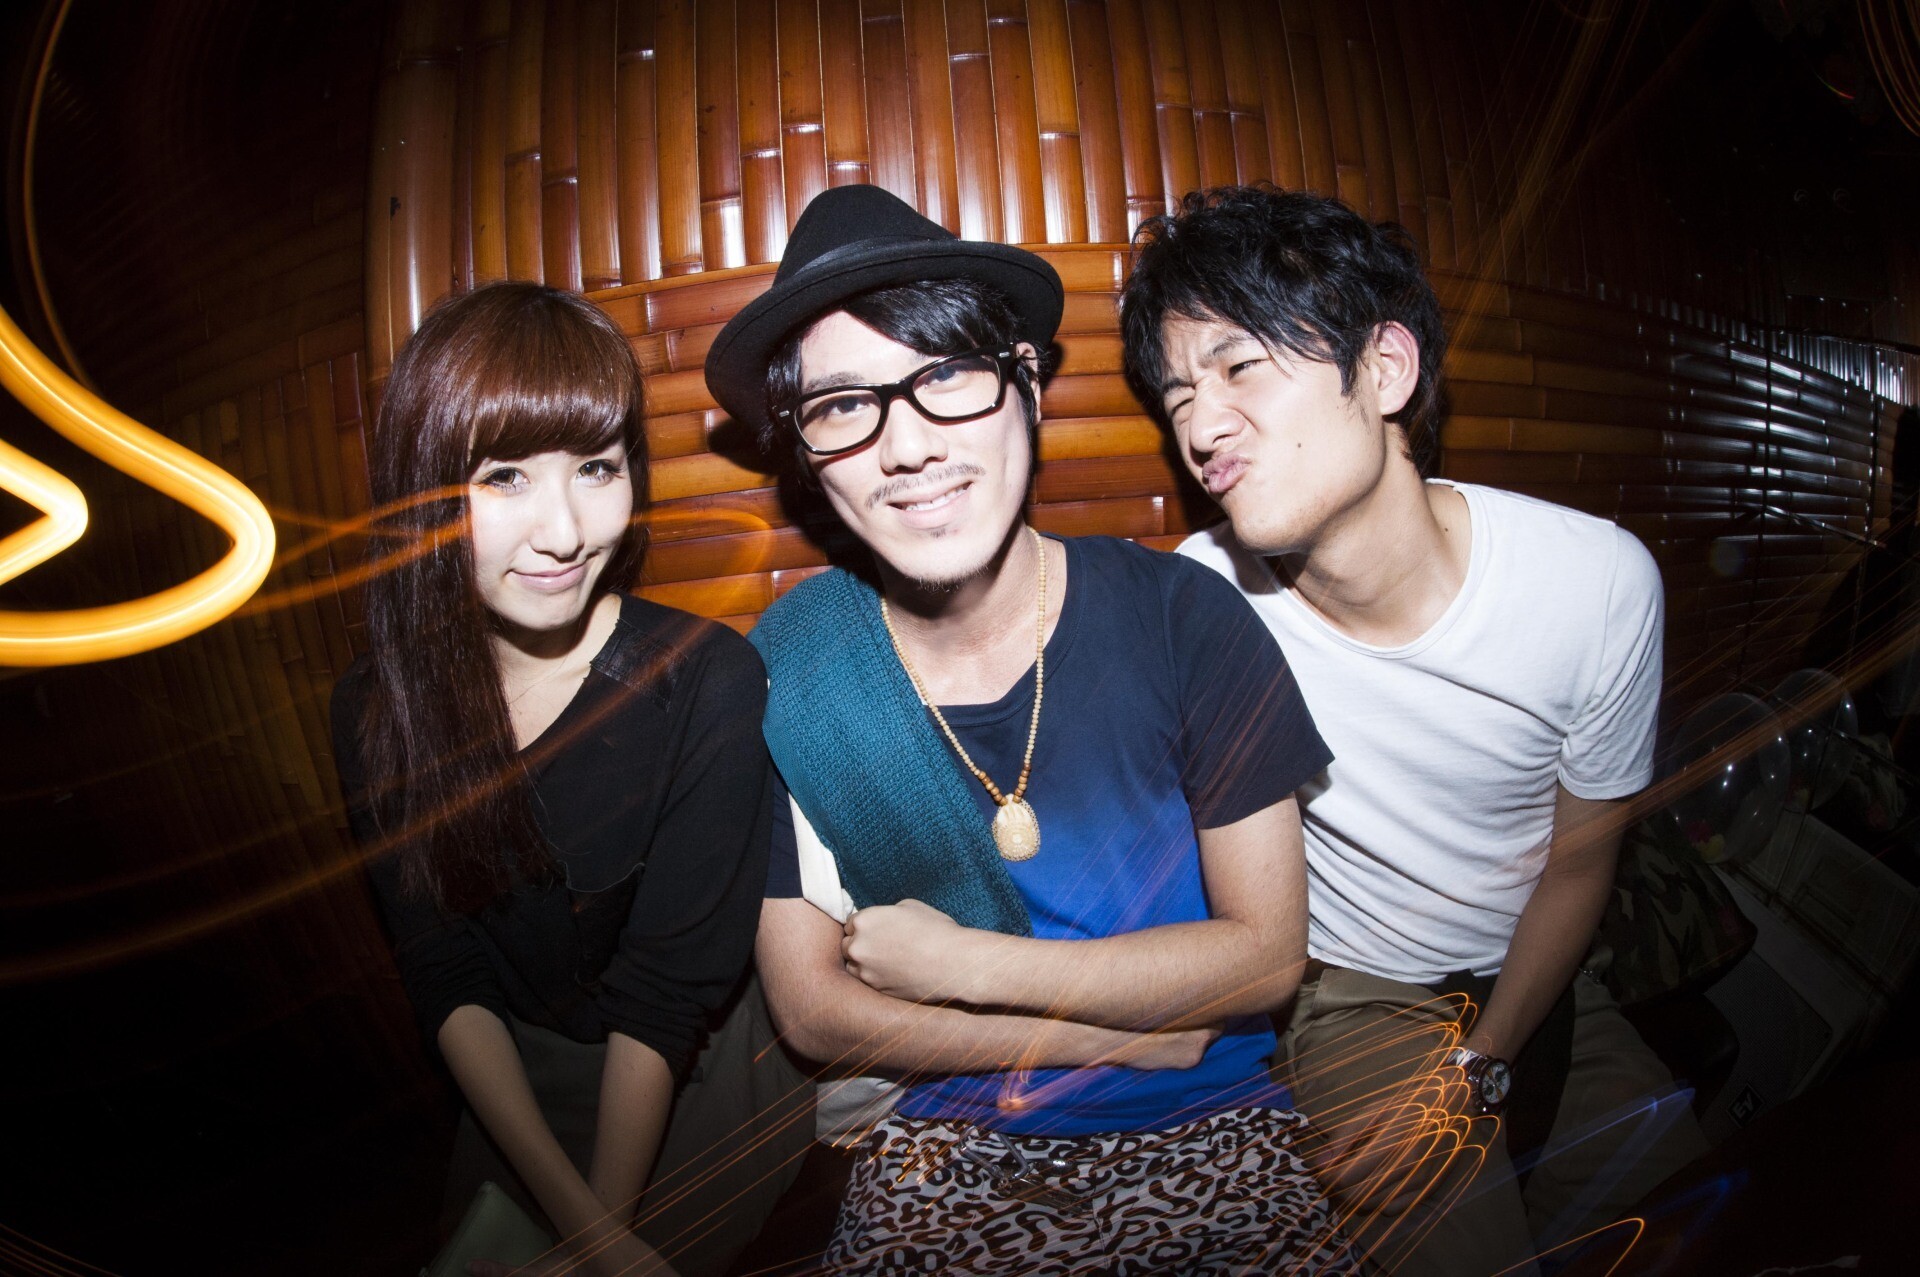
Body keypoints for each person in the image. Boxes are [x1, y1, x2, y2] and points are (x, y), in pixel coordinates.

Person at [703, 184, 1355, 1275]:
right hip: (946, 1142)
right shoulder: (798, 671)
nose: (907, 446)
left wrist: (965, 960)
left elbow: (1261, 957)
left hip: (1212, 1119)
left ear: (1028, 387)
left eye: (946, 376)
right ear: (808, 453)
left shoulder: (1183, 615)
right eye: (844, 405)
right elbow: (814, 1010)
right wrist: (1099, 1037)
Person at [1120, 185, 1710, 1276]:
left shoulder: (1594, 584)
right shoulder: (1203, 602)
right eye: (1178, 395)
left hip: (1543, 968)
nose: (1199, 428)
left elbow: (1583, 860)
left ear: (1386, 368)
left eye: (1240, 365)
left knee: (1697, 1214)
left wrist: (1485, 1062)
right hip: (1355, 989)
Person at [331, 282, 809, 1277]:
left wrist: (607, 1236)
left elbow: (663, 1002)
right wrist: (587, 1229)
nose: (563, 531)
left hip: (690, 1070)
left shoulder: (704, 681)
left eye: (596, 466)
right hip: (515, 1078)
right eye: (504, 476)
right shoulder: (379, 707)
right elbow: (447, 974)